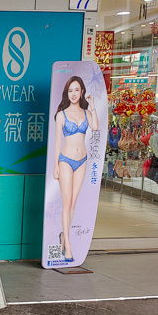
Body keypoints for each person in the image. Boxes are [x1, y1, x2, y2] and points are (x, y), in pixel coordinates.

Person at [53, 76, 98, 262]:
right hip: (65, 160)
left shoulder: (87, 113)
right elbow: (57, 142)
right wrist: (55, 165)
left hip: (82, 161)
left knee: (73, 202)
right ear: (67, 93)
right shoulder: (61, 115)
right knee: (66, 201)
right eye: (70, 90)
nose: (73, 94)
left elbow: (95, 127)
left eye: (76, 90)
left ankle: (64, 236)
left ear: (82, 92)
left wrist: (93, 104)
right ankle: (68, 244)